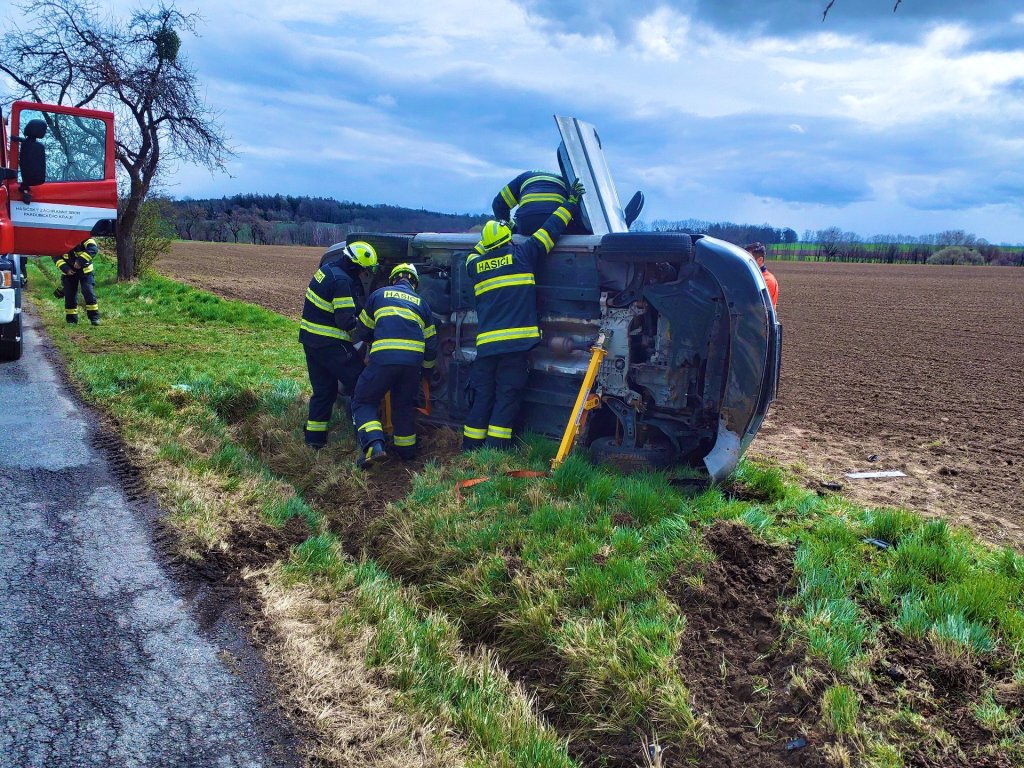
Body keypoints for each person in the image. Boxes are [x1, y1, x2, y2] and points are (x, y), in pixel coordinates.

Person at [463, 180, 585, 451]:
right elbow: (551, 228)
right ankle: (494, 451)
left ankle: (470, 448)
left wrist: (488, 243)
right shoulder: (524, 255)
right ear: (508, 239)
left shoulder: (475, 265)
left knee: (482, 395)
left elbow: (476, 252)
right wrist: (571, 203)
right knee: (507, 395)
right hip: (516, 346)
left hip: (487, 347)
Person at [350, 263, 437, 468]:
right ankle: (406, 452)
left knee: (363, 400)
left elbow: (362, 330)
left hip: (384, 360)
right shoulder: (421, 303)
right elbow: (431, 344)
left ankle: (374, 446)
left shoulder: (379, 295)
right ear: (414, 283)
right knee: (403, 406)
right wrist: (425, 370)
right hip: (412, 365)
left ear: (394, 279)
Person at [299, 241, 377, 449]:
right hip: (330, 343)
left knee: (324, 391)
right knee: (361, 383)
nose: (363, 274)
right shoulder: (342, 282)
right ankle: (365, 438)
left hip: (311, 342)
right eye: (363, 269)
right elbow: (345, 321)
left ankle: (314, 442)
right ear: (355, 265)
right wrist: (367, 335)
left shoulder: (327, 270)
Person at [492, 170, 587, 237]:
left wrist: (512, 229)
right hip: (557, 223)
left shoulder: (523, 177)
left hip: (527, 222)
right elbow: (576, 209)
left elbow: (498, 204)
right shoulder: (565, 181)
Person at [53, 238, 101, 325]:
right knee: (69, 295)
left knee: (88, 292)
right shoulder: (59, 239)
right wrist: (65, 269)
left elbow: (93, 248)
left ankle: (94, 318)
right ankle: (71, 320)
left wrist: (80, 261)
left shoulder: (84, 237)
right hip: (69, 273)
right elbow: (55, 256)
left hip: (85, 272)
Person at [745, 242, 779, 309]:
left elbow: (755, 306)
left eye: (748, 259)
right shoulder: (752, 276)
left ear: (760, 260)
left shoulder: (767, 280)